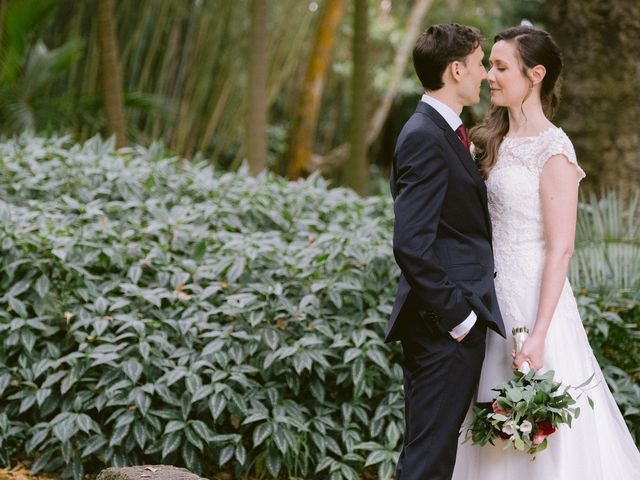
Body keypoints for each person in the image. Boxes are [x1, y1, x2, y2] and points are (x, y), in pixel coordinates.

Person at [452, 25, 640, 479]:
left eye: (500, 67)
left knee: (542, 437)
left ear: (535, 74)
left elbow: (561, 250)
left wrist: (537, 334)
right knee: (491, 431)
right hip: (489, 302)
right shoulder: (486, 141)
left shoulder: (555, 149)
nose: (489, 76)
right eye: (490, 66)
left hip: (537, 307)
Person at [386, 23, 506, 480]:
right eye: (479, 64)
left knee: (432, 455)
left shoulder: (445, 132)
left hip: (447, 327)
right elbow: (410, 244)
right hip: (442, 328)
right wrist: (460, 318)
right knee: (428, 460)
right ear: (455, 70)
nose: (484, 75)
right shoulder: (424, 136)